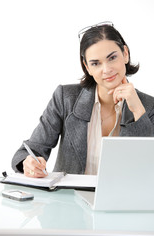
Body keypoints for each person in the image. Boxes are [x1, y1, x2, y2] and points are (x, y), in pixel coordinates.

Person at [12, 21, 154, 178]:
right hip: (68, 199)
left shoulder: (149, 106)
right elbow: (30, 150)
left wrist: (138, 112)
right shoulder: (65, 98)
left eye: (112, 57)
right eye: (95, 63)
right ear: (87, 67)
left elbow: (146, 169)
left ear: (125, 54)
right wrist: (29, 162)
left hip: (123, 200)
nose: (106, 69)